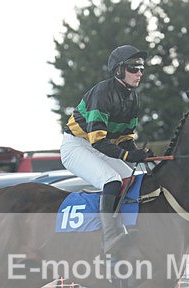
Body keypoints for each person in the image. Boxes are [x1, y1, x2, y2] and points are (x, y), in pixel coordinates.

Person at [60, 44, 154, 255]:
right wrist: (129, 155)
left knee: (134, 178)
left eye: (141, 68)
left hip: (99, 145)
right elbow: (98, 142)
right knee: (111, 180)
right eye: (133, 68)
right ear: (119, 70)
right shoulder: (102, 93)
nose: (139, 73)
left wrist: (142, 154)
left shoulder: (133, 98)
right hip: (76, 146)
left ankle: (124, 227)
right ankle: (109, 236)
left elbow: (125, 140)